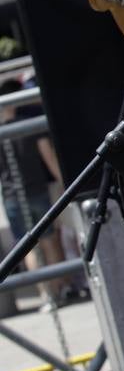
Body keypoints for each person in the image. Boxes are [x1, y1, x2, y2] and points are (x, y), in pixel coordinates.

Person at [0, 77, 73, 309]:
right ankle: (60, 288)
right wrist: (65, 183)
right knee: (50, 241)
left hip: (11, 194)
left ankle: (46, 295)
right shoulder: (28, 124)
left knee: (27, 247)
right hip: (37, 189)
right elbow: (48, 156)